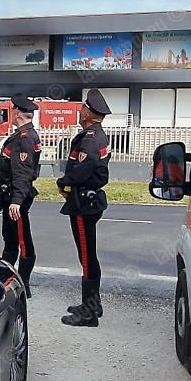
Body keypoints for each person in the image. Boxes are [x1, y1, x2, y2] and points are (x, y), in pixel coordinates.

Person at [57, 89, 112, 327]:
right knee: (87, 256)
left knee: (88, 259)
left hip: (83, 204)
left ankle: (89, 314)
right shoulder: (96, 135)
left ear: (89, 112)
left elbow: (84, 170)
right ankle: (92, 304)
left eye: (82, 108)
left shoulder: (90, 138)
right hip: (88, 201)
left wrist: (63, 182)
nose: (79, 111)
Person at [0, 94, 41, 296]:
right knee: (10, 239)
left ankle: (23, 285)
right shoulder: (22, 136)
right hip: (11, 197)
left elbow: (23, 173)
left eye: (13, 111)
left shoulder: (24, 139)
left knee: (23, 241)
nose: (11, 115)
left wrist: (16, 201)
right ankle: (4, 279)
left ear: (18, 114)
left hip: (17, 199)